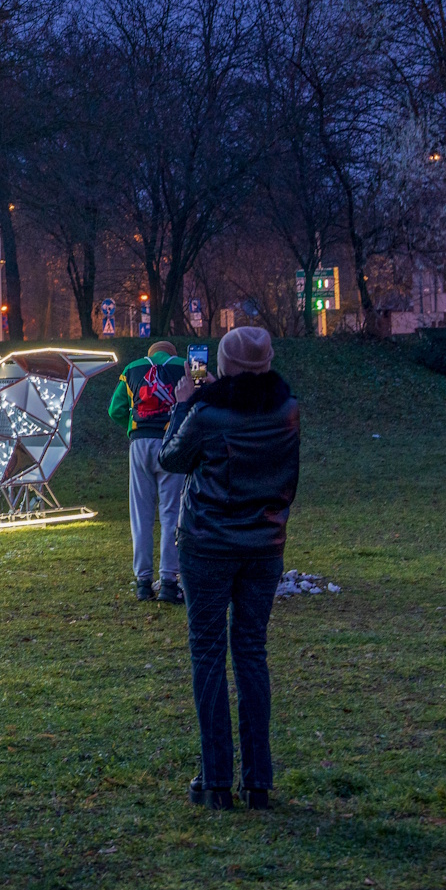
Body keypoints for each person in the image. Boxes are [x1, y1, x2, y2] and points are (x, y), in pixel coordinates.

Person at [159, 326, 300, 812]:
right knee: (251, 654)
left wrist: (183, 404)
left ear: (225, 366)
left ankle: (216, 779)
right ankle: (258, 781)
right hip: (265, 545)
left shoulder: (207, 414)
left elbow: (172, 457)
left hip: (208, 545)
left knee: (208, 654)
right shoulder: (288, 410)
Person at [108, 341, 194, 603]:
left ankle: (143, 582)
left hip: (140, 443)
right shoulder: (186, 366)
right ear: (173, 354)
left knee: (141, 513)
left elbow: (115, 410)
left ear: (151, 355)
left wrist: (133, 430)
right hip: (173, 443)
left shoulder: (132, 369)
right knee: (171, 513)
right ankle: (169, 581)